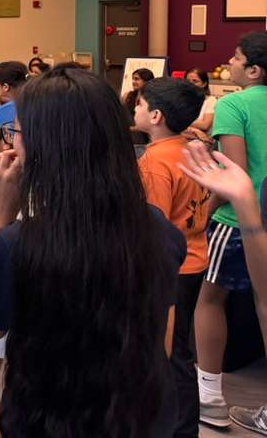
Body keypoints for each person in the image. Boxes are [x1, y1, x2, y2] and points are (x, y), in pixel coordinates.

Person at [0, 65, 186, 437]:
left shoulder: (16, 244)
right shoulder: (159, 229)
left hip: (45, 420)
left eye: (16, 133)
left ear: (42, 146)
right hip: (142, 417)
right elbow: (161, 338)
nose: (11, 144)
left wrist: (0, 214)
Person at [195, 31, 267, 429]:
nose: (230, 63)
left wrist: (202, 215)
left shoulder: (232, 104)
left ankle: (210, 400)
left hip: (238, 221)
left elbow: (233, 175)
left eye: (237, 58)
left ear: (254, 70)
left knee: (209, 301)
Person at [134, 76, 210, 437]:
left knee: (171, 351)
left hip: (171, 267)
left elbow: (156, 224)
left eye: (139, 104)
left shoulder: (154, 162)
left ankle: (180, 427)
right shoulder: (191, 150)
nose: (135, 109)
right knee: (180, 347)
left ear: (156, 116)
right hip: (195, 257)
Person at [180, 141, 267, 433]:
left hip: (229, 224)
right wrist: (244, 202)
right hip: (244, 220)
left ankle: (210, 398)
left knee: (209, 299)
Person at [184, 68, 216, 139]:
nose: (190, 84)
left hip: (203, 140)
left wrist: (181, 121)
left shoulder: (210, 100)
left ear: (204, 84)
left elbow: (205, 125)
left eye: (195, 81)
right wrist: (194, 129)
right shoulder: (181, 99)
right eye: (187, 81)